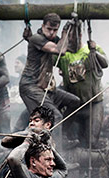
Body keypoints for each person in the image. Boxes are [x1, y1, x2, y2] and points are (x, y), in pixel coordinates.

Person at [19, 13, 80, 144]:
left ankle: (60, 136)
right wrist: (64, 32)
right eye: (49, 29)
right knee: (54, 116)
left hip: (45, 88)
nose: (52, 33)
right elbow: (61, 51)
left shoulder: (54, 40)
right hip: (31, 87)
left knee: (74, 102)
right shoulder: (36, 38)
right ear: (42, 26)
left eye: (55, 30)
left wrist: (74, 28)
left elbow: (73, 49)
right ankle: (55, 152)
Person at [57, 21, 108, 146]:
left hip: (94, 103)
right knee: (72, 140)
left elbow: (105, 63)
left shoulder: (89, 50)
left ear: (79, 36)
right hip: (75, 105)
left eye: (72, 37)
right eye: (68, 37)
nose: (70, 40)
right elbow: (46, 56)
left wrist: (94, 52)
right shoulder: (63, 55)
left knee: (91, 141)